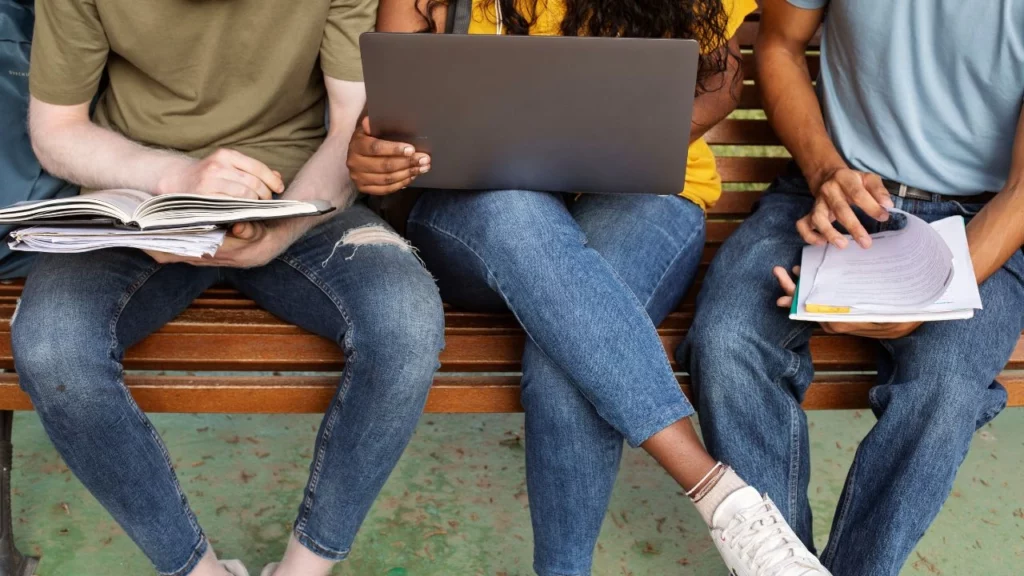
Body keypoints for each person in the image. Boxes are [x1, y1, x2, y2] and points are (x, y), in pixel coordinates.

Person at [347, 1, 830, 575]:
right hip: (484, 213)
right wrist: (371, 155)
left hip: (642, 197)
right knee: (519, 218)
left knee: (569, 350)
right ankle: (720, 495)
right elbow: (391, 118)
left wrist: (611, 146)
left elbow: (720, 83)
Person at [17, 1, 446, 575]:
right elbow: (56, 130)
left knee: (407, 323)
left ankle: (304, 568)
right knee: (51, 345)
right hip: (141, 197)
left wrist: (282, 231)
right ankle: (198, 571)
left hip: (300, 195)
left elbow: (350, 130)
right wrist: (176, 181)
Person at [683, 1, 1024, 575]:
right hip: (830, 190)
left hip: (979, 219)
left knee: (944, 390)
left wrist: (929, 294)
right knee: (726, 340)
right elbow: (780, 45)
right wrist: (824, 172)